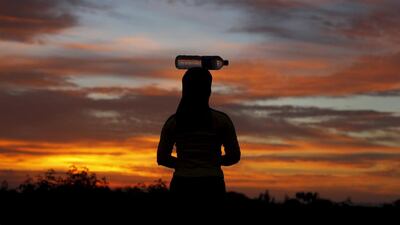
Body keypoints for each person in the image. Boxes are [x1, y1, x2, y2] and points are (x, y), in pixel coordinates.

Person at [157, 67, 241, 204]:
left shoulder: (174, 122)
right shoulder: (222, 120)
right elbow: (234, 156)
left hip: (182, 184)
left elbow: (162, 158)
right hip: (212, 184)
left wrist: (184, 164)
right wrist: (213, 161)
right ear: (208, 91)